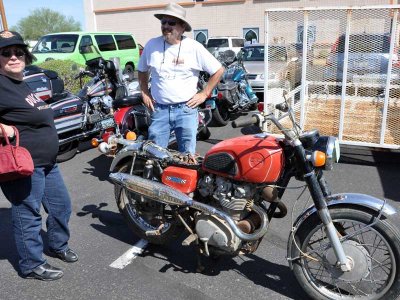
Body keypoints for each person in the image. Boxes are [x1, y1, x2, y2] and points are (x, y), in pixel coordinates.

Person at [0, 30, 78, 281]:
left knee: (61, 206)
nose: (13, 56)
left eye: (18, 52)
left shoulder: (20, 82)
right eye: (5, 53)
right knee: (28, 214)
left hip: (47, 162)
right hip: (23, 165)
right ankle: (32, 264)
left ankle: (57, 245)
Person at [138, 2, 224, 154]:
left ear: (182, 27)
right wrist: (144, 92)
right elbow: (142, 70)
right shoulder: (152, 45)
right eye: (163, 22)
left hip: (186, 109)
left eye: (171, 22)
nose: (166, 26)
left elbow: (218, 70)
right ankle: (157, 178)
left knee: (187, 154)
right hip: (160, 109)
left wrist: (204, 93)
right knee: (155, 153)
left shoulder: (194, 47)